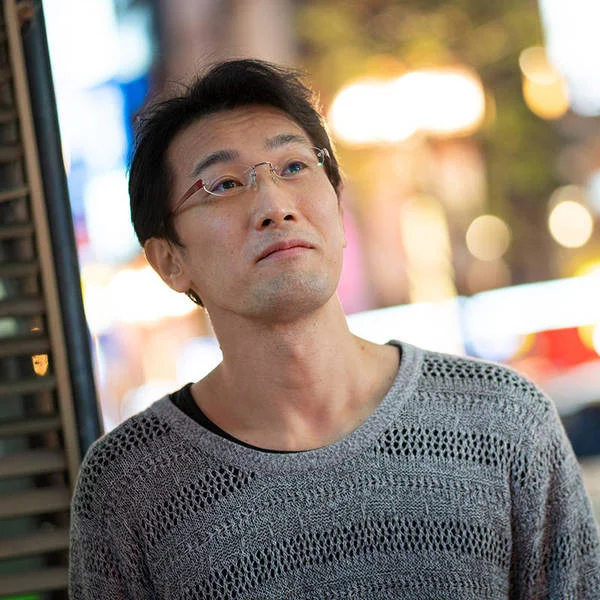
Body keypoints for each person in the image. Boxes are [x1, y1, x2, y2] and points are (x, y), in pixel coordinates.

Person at [69, 58, 600, 599]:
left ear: (338, 209)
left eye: (294, 167)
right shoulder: (129, 486)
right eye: (224, 184)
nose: (275, 206)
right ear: (169, 260)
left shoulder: (505, 422)